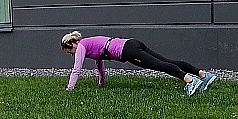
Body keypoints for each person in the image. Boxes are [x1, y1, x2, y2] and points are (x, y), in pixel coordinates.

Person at [61, 31, 216, 95]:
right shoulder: (88, 44)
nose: (73, 54)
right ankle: (203, 75)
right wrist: (101, 82)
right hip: (131, 44)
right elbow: (99, 64)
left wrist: (69, 89)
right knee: (165, 61)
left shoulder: (81, 46)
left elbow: (76, 70)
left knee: (158, 65)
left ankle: (189, 80)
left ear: (72, 45)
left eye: (70, 52)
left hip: (127, 51)